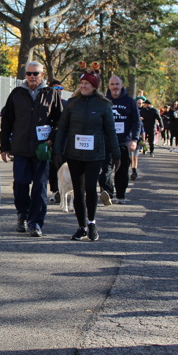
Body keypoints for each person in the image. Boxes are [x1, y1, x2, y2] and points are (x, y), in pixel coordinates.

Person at [53, 71, 119, 242]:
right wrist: (58, 150)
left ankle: (92, 223)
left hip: (95, 154)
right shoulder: (72, 103)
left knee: (90, 188)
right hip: (74, 154)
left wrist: (116, 153)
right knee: (78, 189)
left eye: (87, 84)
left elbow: (110, 131)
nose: (83, 86)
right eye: (81, 83)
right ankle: (81, 227)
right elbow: (63, 127)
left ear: (94, 86)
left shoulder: (104, 105)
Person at [0, 61, 62, 237]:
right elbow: (7, 122)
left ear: (42, 75)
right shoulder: (16, 94)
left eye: (35, 73)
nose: (32, 77)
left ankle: (35, 223)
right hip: (20, 148)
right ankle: (22, 214)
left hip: (41, 149)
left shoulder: (51, 94)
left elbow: (60, 121)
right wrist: (4, 146)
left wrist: (52, 139)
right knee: (20, 183)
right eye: (29, 74)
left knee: (40, 187)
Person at [106, 76, 140, 202]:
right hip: (107, 141)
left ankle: (120, 195)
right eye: (112, 84)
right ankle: (107, 194)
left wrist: (134, 139)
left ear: (121, 85)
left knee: (122, 170)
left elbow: (136, 122)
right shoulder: (104, 101)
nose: (115, 87)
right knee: (106, 170)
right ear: (109, 86)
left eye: (117, 84)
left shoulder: (130, 101)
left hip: (124, 142)